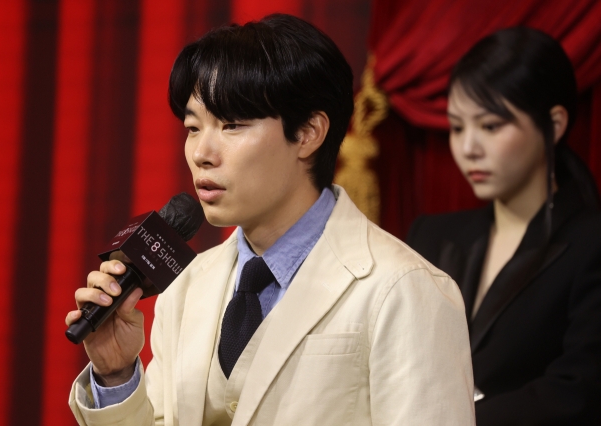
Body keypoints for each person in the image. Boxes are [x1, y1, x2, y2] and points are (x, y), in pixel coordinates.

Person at [67, 14, 475, 426]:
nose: (202, 153)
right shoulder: (187, 286)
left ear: (309, 133)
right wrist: (117, 374)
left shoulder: (403, 289)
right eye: (193, 127)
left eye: (232, 125)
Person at [407, 27, 601, 425]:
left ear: (555, 124)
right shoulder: (429, 236)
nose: (468, 148)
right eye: (458, 127)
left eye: (491, 126)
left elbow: (578, 390)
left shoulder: (591, 241)